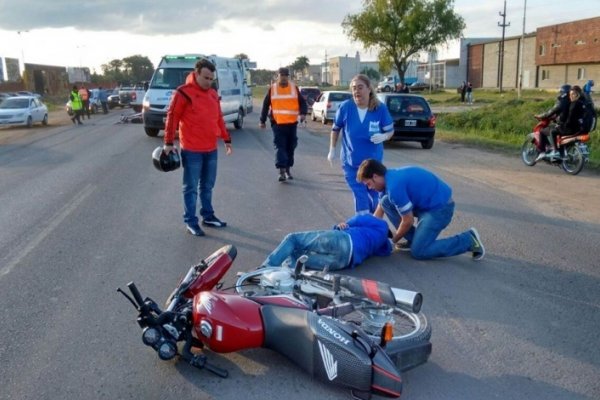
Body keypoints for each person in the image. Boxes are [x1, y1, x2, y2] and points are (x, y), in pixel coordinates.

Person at [357, 159, 485, 261]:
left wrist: (392, 241)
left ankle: (468, 240)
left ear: (375, 176)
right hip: (426, 205)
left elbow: (408, 220)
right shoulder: (387, 180)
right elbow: (379, 211)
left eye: (369, 184)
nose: (370, 188)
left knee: (419, 252)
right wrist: (368, 233)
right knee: (385, 202)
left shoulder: (394, 187)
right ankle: (415, 239)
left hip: (440, 208)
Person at [163, 58, 233, 237]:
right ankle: (190, 221)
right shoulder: (183, 93)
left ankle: (208, 216)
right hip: (192, 149)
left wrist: (227, 139)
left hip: (211, 148)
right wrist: (169, 143)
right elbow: (172, 117)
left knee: (207, 186)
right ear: (196, 74)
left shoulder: (212, 94)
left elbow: (218, 118)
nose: (209, 82)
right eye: (206, 78)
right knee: (191, 187)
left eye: (212, 79)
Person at [327, 74, 394, 215]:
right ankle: (364, 223)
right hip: (351, 163)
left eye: (360, 87)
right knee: (360, 194)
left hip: (373, 164)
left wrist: (384, 136)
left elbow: (390, 131)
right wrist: (332, 149)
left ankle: (374, 224)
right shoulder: (346, 107)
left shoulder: (380, 109)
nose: (356, 91)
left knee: (374, 196)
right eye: (353, 88)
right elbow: (335, 129)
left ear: (369, 89)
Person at [262, 214, 392, 271]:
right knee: (298, 259)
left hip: (344, 239)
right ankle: (280, 278)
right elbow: (387, 251)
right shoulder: (383, 245)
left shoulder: (382, 224)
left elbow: (359, 218)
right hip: (345, 261)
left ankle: (264, 270)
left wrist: (341, 226)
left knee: (293, 239)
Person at [259, 67, 308, 182]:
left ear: (288, 77)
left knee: (291, 147)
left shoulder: (294, 88)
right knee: (280, 147)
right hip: (278, 124)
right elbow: (266, 105)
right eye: (282, 75)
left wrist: (303, 113)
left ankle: (287, 169)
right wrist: (262, 120)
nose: (284, 77)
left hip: (292, 124)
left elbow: (302, 103)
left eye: (286, 75)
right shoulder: (273, 89)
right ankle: (281, 172)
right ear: (278, 76)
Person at [535, 84, 571, 160]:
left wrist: (541, 116)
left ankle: (543, 152)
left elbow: (551, 111)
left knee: (543, 131)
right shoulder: (572, 101)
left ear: (563, 92)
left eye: (561, 92)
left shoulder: (562, 101)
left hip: (563, 125)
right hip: (573, 125)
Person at [551, 85, 587, 157]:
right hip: (579, 129)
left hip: (570, 129)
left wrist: (562, 124)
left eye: (573, 94)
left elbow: (570, 119)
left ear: (578, 95)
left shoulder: (573, 105)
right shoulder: (582, 104)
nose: (571, 96)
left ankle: (556, 151)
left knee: (553, 131)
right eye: (570, 94)